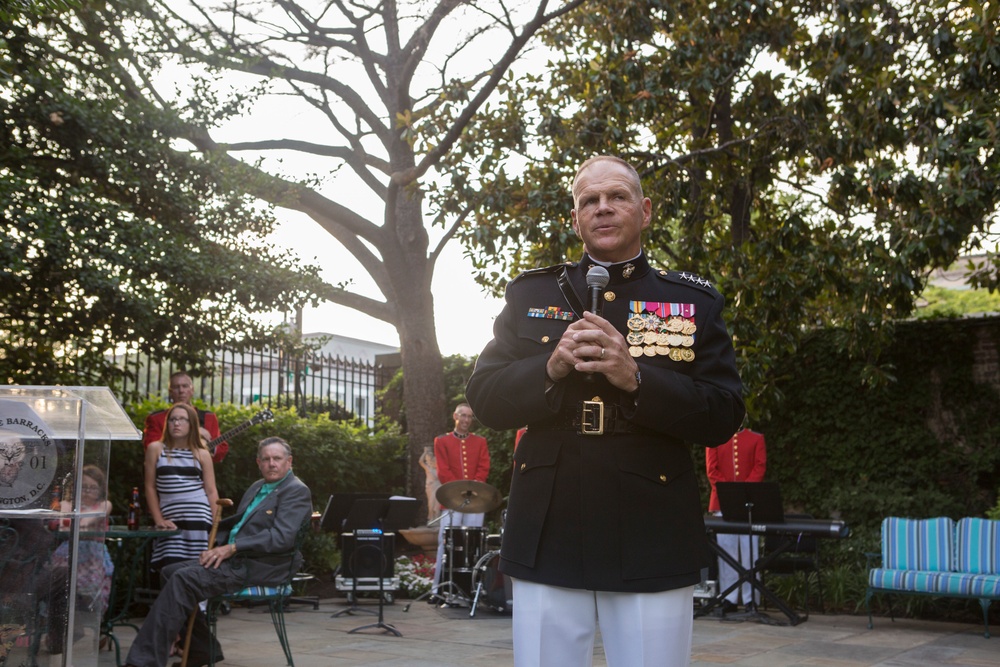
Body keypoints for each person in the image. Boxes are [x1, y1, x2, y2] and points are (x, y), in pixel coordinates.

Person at [466, 155, 744, 667]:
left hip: (650, 522)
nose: (603, 208)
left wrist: (636, 378)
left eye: (617, 196)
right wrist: (549, 368)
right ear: (575, 219)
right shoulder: (530, 294)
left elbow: (724, 413)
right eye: (589, 200)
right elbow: (484, 397)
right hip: (549, 518)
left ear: (646, 210)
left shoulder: (692, 302)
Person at [123, 436, 312, 667]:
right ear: (258, 462)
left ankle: (144, 662)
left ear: (289, 461)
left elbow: (282, 538)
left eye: (277, 459)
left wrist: (231, 548)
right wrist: (214, 547)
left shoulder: (295, 491)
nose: (271, 464)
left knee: (183, 578)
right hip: (239, 560)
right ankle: (203, 650)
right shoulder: (258, 487)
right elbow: (239, 524)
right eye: (266, 459)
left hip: (265, 565)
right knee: (170, 571)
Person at [44, 464, 114, 654]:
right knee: (63, 583)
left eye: (92, 487)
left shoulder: (103, 504)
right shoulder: (66, 503)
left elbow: (84, 523)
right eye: (83, 487)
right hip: (68, 551)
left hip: (93, 554)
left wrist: (73, 522)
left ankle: (81, 625)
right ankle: (66, 629)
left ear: (101, 489)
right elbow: (60, 523)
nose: (87, 492)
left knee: (90, 587)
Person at [145, 403, 218, 580]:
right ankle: (173, 607)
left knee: (199, 567)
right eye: (172, 419)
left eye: (182, 419)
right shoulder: (156, 449)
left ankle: (198, 608)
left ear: (192, 424)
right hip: (171, 520)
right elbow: (150, 487)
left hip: (199, 519)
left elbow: (211, 491)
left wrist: (218, 526)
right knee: (170, 566)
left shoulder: (202, 453)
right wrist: (158, 519)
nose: (176, 423)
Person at [431, 403, 490, 594]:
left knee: (473, 542)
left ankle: (471, 588)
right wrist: (459, 491)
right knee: (446, 542)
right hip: (451, 500)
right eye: (463, 415)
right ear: (455, 416)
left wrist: (473, 487)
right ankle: (438, 588)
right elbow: (443, 470)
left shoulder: (480, 441)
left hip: (475, 499)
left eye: (470, 417)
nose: (466, 420)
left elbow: (483, 467)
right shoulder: (442, 441)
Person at [706, 427, 767, 612]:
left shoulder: (756, 438)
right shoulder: (715, 439)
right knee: (727, 554)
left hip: (750, 502)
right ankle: (729, 598)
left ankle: (751, 599)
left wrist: (743, 492)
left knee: (750, 553)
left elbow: (759, 466)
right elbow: (712, 470)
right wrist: (730, 493)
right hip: (722, 502)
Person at [143, 372, 228, 462]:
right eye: (176, 387)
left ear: (192, 390)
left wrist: (208, 447)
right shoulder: (156, 419)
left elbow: (221, 450)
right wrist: (194, 431)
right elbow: (151, 449)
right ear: (170, 392)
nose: (181, 391)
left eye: (185, 386)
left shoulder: (209, 418)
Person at [418, 445, 441, 524]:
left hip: (438, 487)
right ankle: (431, 519)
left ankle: (437, 519)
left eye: (435, 462)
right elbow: (421, 461)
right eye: (432, 462)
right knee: (430, 504)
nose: (433, 463)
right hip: (430, 488)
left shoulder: (439, 470)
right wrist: (425, 453)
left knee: (437, 506)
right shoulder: (428, 468)